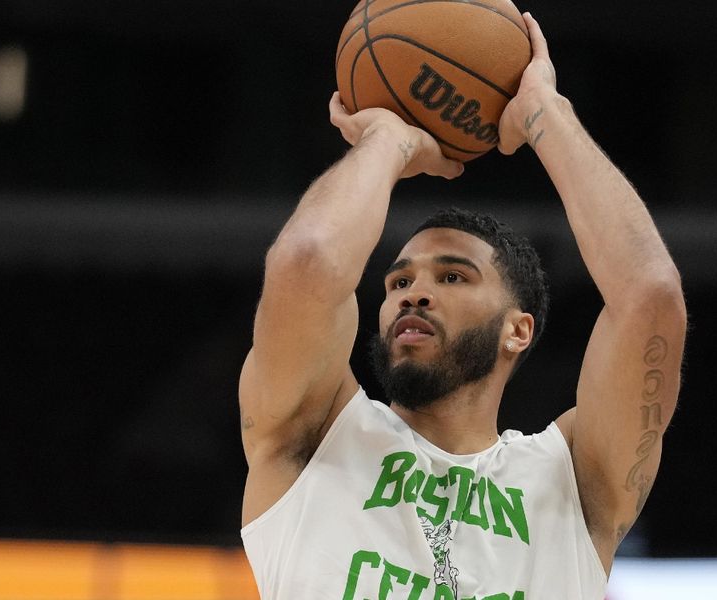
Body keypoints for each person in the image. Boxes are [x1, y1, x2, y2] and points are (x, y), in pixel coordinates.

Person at [238, 13, 686, 600]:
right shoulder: (313, 434)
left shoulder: (574, 482)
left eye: (452, 276)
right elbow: (308, 262)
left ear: (518, 330)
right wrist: (389, 141)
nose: (413, 293)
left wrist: (543, 113)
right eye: (397, 283)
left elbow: (649, 298)